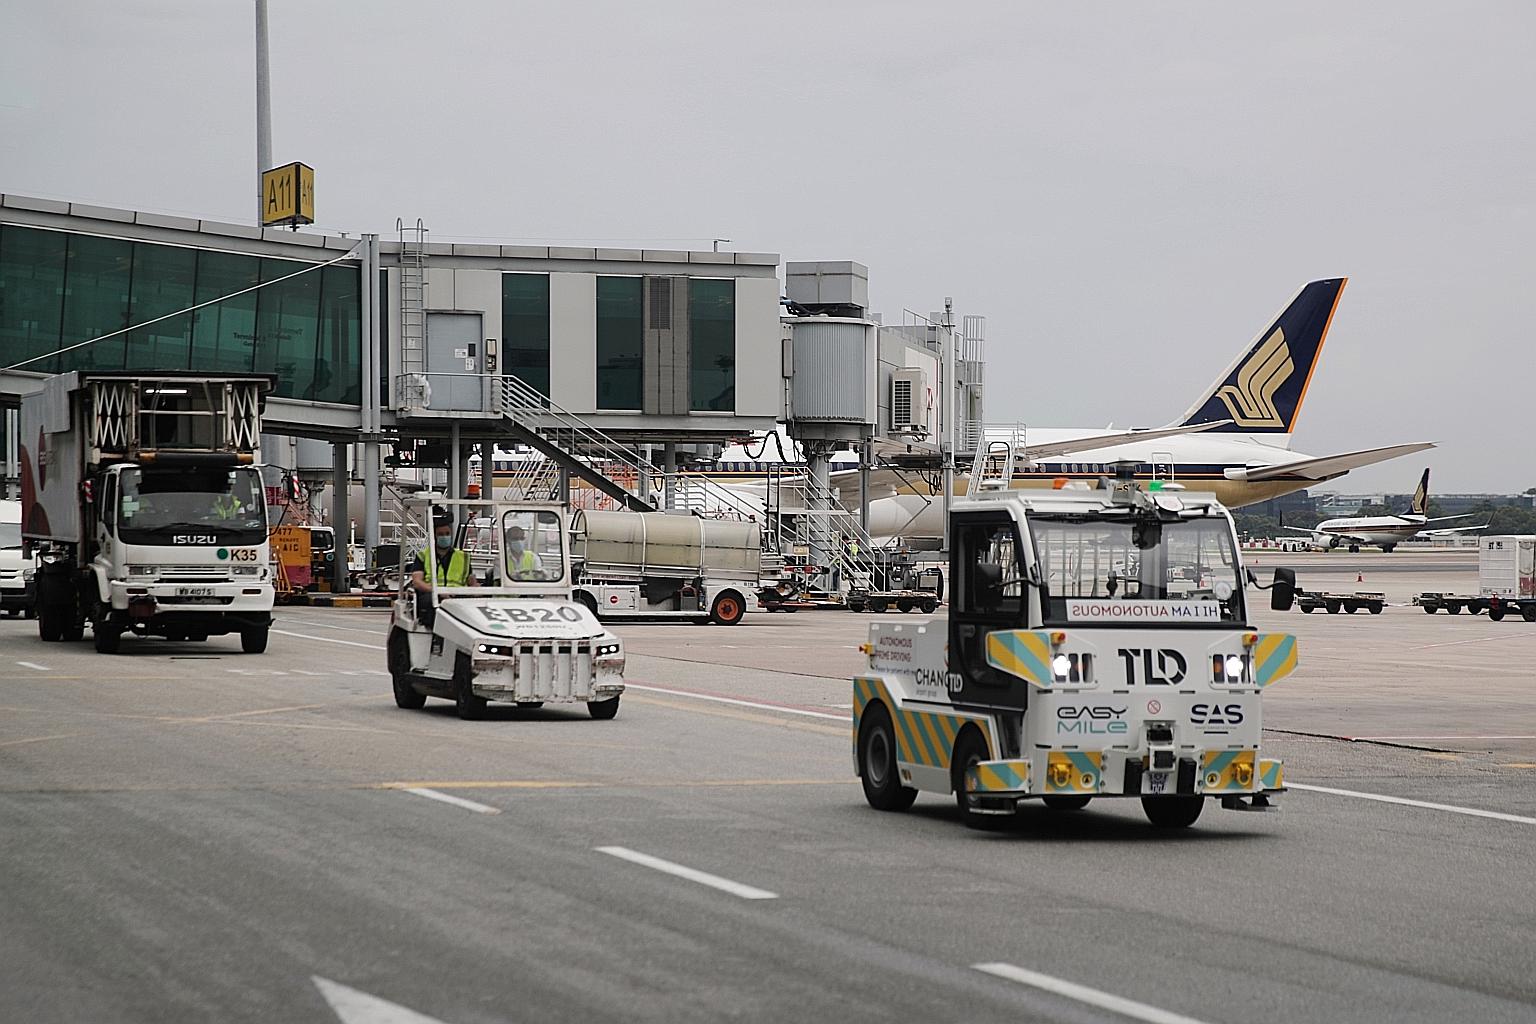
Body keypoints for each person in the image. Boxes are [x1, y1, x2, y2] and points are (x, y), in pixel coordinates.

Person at [408, 509, 477, 625]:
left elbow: (472, 582)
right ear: (434, 536)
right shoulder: (424, 556)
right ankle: (436, 638)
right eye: (440, 534)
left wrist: (479, 591)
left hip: (458, 598)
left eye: (447, 534)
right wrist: (438, 592)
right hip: (434, 597)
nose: (445, 537)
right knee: (431, 603)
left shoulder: (463, 557)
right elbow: (417, 582)